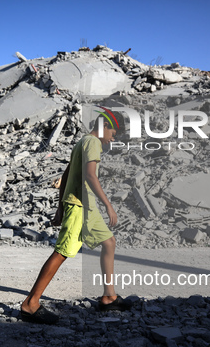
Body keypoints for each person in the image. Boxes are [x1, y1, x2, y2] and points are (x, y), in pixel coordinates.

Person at [20, 111, 131, 324]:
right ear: (104, 126)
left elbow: (65, 175)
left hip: (85, 206)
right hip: (79, 207)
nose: (113, 139)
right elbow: (89, 175)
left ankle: (109, 297)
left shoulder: (82, 142)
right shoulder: (93, 143)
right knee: (62, 252)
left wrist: (59, 209)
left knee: (109, 243)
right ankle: (30, 304)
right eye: (113, 133)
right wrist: (109, 205)